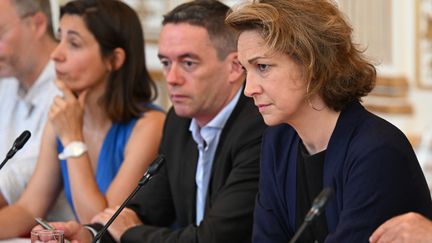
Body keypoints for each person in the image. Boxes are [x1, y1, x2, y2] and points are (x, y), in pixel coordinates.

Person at [39, 1, 266, 242]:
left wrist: (130, 233)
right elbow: (145, 210)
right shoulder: (179, 124)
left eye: (188, 63)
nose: (172, 78)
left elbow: (213, 238)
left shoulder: (258, 130)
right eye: (166, 63)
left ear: (234, 67)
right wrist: (90, 234)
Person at [225, 0, 432, 242]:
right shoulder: (278, 140)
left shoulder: (377, 151)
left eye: (263, 67)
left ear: (312, 64)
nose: (248, 89)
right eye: (245, 70)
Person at [0, 0, 165, 238]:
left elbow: (100, 227)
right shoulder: (63, 119)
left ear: (114, 60)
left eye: (74, 44)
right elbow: (28, 208)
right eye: (60, 39)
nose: (56, 54)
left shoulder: (149, 125)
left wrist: (73, 140)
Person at [0, 0, 74, 221]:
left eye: (0, 32)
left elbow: (17, 181)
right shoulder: (6, 82)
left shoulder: (70, 88)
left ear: (37, 24)